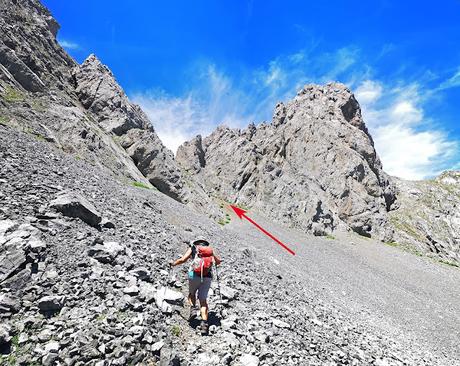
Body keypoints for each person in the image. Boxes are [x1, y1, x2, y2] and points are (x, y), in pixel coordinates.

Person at [171, 236, 221, 335]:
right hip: (207, 277)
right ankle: (204, 325)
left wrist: (173, 263)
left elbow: (183, 259)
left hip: (194, 275)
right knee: (203, 301)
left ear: (196, 241)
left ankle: (193, 308)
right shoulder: (209, 251)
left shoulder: (193, 248)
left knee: (191, 293)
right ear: (205, 243)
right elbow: (218, 262)